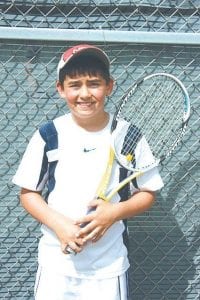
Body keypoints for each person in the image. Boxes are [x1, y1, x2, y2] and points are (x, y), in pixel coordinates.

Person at [12, 44, 164, 300]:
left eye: (94, 83)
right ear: (60, 89)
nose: (84, 93)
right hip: (56, 265)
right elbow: (28, 194)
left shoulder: (129, 136)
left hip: (108, 269)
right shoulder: (48, 135)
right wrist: (60, 226)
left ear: (109, 86)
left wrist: (114, 213)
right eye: (74, 85)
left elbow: (147, 192)